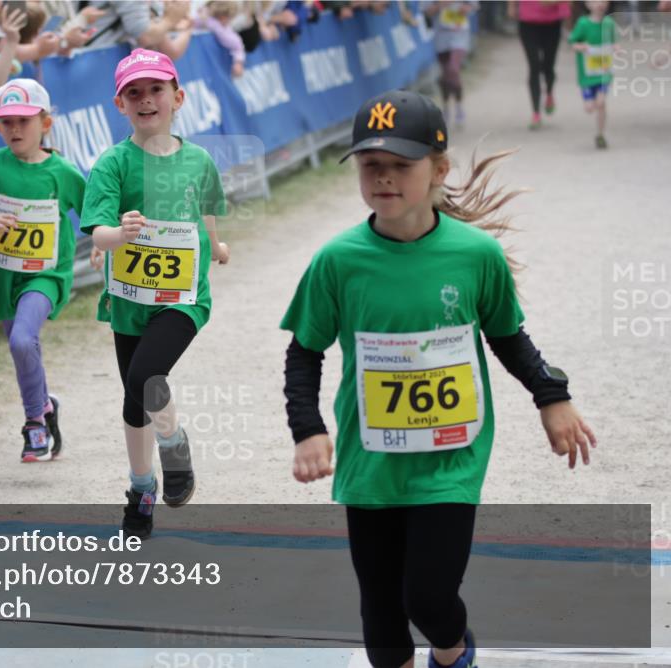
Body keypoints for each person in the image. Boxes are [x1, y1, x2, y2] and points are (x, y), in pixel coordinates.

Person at [281, 90, 597, 668]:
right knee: (381, 615)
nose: (384, 177)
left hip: (451, 458)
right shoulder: (337, 261)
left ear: (439, 169)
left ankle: (454, 649)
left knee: (427, 599)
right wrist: (308, 428)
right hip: (371, 460)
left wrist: (552, 397)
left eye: (401, 165)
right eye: (371, 165)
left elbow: (508, 336)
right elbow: (304, 351)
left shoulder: (476, 255)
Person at [80, 49, 230, 539]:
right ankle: (142, 487)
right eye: (134, 92)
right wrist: (116, 235)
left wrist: (216, 245)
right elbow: (98, 231)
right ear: (120, 104)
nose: (146, 99)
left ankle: (171, 445)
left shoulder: (199, 160)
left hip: (183, 297)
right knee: (135, 397)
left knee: (145, 377)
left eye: (156, 90)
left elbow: (205, 211)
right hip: (129, 299)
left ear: (177, 98)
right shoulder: (113, 164)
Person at [0, 79, 85, 462]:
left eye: (24, 121)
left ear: (46, 123)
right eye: (7, 122)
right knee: (22, 346)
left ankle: (33, 423)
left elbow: (95, 212)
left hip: (47, 274)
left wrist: (101, 246)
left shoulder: (63, 172)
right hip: (4, 274)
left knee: (22, 341)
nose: (15, 129)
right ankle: (44, 405)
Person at [509, 0, 571, 129]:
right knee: (534, 66)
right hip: (527, 22)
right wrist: (511, 5)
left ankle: (549, 93)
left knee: (548, 66)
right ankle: (536, 113)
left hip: (552, 23)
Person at [569, 0, 616, 149]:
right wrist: (581, 47)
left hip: (604, 73)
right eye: (595, 1)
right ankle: (590, 104)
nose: (600, 4)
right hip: (587, 75)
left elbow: (614, 42)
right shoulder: (583, 23)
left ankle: (600, 134)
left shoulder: (609, 23)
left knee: (601, 103)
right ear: (587, 4)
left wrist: (617, 48)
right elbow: (573, 43)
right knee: (589, 108)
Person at [423, 1, 477, 126]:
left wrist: (465, 8)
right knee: (445, 75)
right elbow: (427, 11)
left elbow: (473, 6)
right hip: (441, 38)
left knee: (453, 70)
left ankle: (458, 105)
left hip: (459, 36)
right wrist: (441, 4)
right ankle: (446, 105)